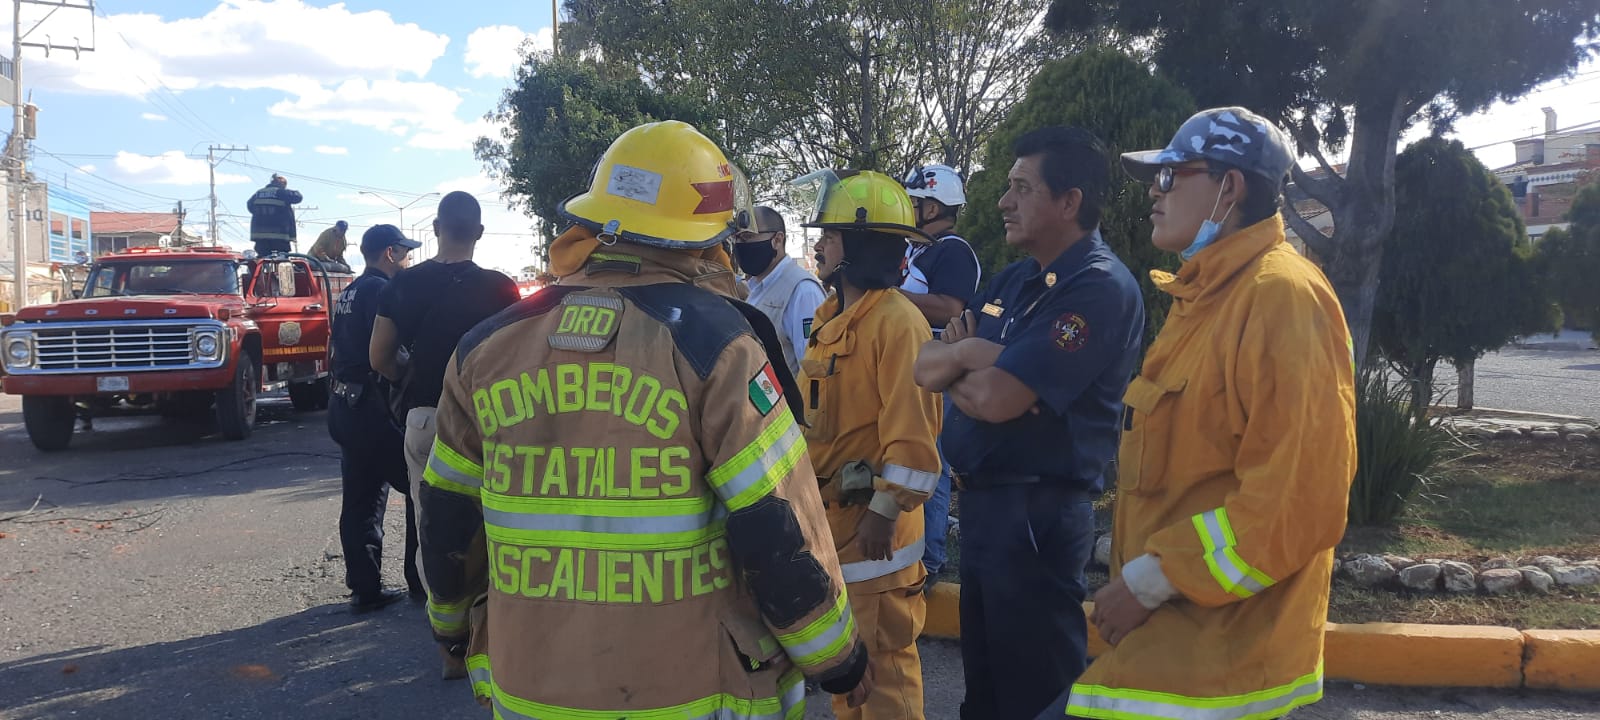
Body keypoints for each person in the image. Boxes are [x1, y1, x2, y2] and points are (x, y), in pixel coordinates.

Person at [414, 120, 872, 715]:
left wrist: (450, 626)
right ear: (708, 239)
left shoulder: (484, 349)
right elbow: (777, 523)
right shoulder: (720, 345)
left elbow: (448, 519)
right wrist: (836, 657)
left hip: (530, 691)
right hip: (688, 694)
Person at [1060, 108, 1356, 720]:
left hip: (1218, 669)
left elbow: (1298, 497)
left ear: (1231, 187)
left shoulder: (1280, 297)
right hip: (1175, 652)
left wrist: (1151, 581)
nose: (1154, 191)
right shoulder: (1207, 296)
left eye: (1171, 176)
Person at [913, 126, 1145, 720]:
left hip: (1036, 518)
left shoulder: (1097, 287)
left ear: (1069, 202)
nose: (1002, 201)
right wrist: (973, 357)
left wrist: (968, 355)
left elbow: (995, 399)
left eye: (1021, 187)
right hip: (986, 511)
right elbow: (925, 366)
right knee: (984, 696)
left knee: (1032, 696)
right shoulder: (1014, 281)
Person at [796, 169, 943, 720]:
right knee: (849, 679)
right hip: (835, 531)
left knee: (885, 679)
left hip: (876, 539)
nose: (820, 246)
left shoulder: (898, 324)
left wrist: (884, 510)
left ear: (859, 246)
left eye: (831, 236)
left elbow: (914, 438)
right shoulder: (831, 318)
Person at [328, 224, 425, 614]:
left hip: (344, 405)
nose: (408, 260)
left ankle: (365, 589)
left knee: (361, 498)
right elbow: (388, 353)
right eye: (405, 252)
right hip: (371, 407)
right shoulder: (381, 291)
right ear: (390, 253)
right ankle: (421, 581)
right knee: (420, 486)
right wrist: (411, 376)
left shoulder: (350, 290)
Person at [900, 162, 982, 588]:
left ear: (933, 207)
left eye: (914, 202)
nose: (908, 209)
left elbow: (950, 307)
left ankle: (930, 559)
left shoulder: (953, 251)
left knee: (931, 463)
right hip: (912, 365)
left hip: (939, 369)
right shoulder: (917, 249)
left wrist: (891, 297)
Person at [734, 205, 826, 377]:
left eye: (747, 237)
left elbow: (813, 370)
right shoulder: (755, 288)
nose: (740, 245)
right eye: (737, 238)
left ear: (777, 240)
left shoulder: (802, 291)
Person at [247, 174, 303, 257]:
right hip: (279, 235)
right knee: (281, 259)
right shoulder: (281, 192)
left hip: (260, 236)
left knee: (263, 258)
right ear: (282, 185)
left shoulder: (258, 193)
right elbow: (298, 197)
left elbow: (250, 206)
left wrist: (262, 215)